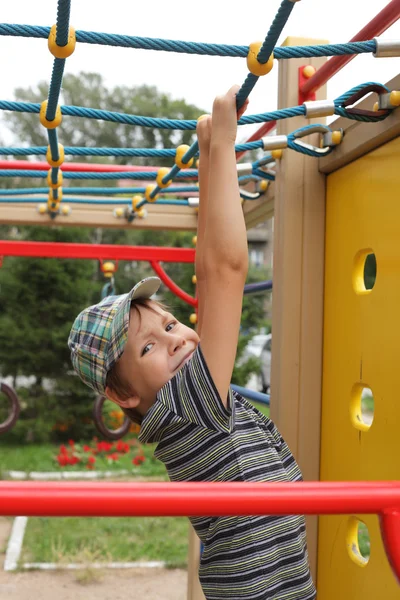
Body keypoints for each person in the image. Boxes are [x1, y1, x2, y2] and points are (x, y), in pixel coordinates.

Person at [68, 86, 316, 600]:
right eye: (146, 348)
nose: (174, 339)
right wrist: (225, 146)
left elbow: (209, 270)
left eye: (171, 323)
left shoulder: (185, 406)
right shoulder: (187, 408)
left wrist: (207, 161)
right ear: (124, 396)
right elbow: (221, 272)